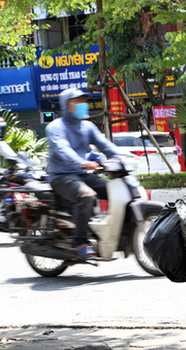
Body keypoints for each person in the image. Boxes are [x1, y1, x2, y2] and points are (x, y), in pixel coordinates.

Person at [45, 88, 120, 260]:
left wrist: (121, 156)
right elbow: (63, 149)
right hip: (62, 176)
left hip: (83, 174)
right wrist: (82, 162)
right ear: (66, 104)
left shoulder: (88, 126)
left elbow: (105, 144)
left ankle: (112, 232)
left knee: (115, 188)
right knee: (87, 196)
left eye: (83, 101)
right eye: (77, 101)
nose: (82, 105)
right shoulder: (55, 127)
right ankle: (81, 243)